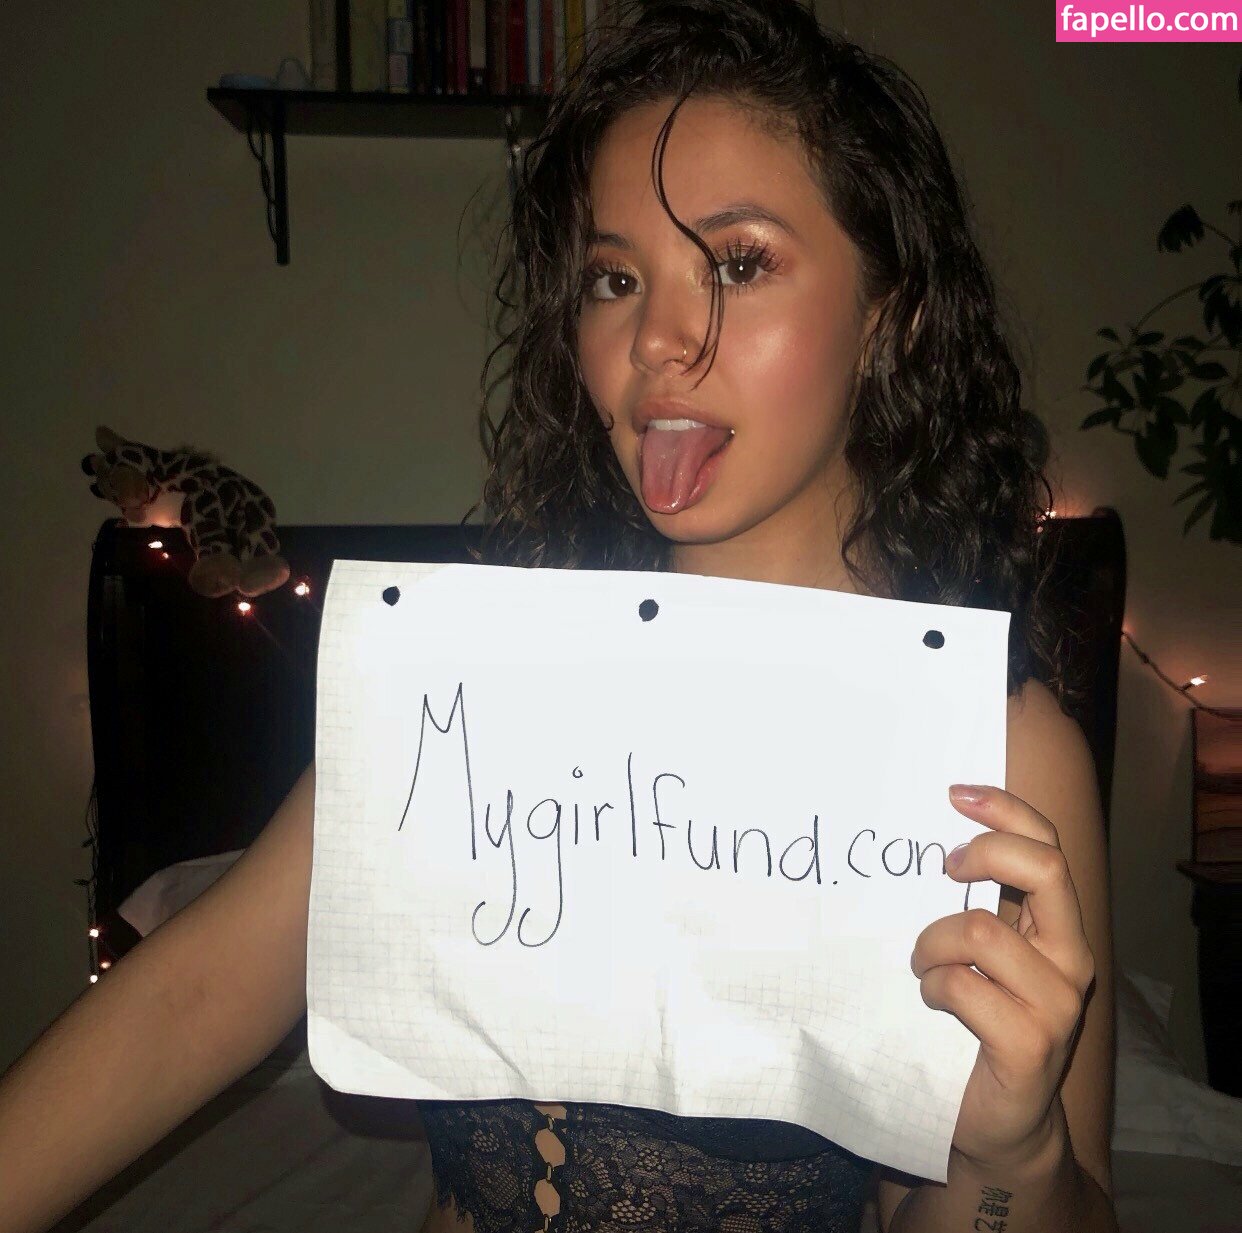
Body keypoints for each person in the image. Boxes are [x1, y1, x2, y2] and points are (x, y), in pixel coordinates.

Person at [0, 1, 1118, 1232]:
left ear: (888, 314)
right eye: (613, 278)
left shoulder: (993, 756)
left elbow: (1009, 1205)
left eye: (739, 263)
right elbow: (196, 992)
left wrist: (1013, 1156)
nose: (657, 339)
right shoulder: (480, 671)